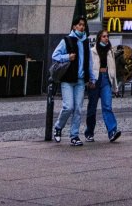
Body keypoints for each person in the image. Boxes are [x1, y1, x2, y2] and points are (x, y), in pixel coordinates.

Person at [51, 14, 92, 146]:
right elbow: (55, 55)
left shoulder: (86, 42)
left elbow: (89, 61)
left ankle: (74, 135)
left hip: (80, 80)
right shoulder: (67, 40)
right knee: (68, 107)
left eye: (83, 25)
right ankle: (58, 127)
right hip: (68, 79)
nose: (81, 27)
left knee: (78, 109)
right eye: (79, 25)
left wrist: (91, 77)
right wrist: (67, 57)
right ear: (74, 26)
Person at [84, 30, 121, 143]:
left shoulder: (110, 52)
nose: (106, 38)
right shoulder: (93, 51)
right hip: (95, 79)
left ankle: (112, 131)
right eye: (104, 36)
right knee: (92, 108)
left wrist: (115, 87)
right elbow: (89, 67)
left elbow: (113, 68)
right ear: (99, 38)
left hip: (106, 79)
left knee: (107, 106)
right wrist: (89, 80)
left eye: (107, 36)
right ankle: (89, 132)